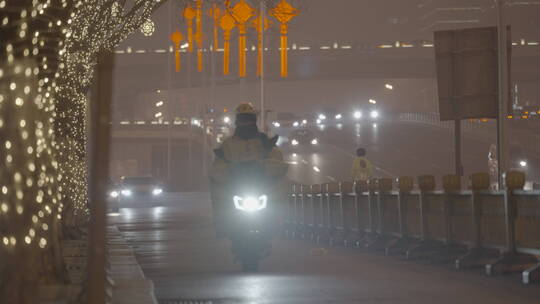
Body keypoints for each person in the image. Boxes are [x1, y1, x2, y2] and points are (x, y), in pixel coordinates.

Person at [209, 102, 289, 235]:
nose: (245, 124)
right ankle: (221, 224)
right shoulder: (227, 145)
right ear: (237, 122)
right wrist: (230, 170)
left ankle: (280, 221)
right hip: (235, 190)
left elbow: (279, 166)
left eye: (248, 120)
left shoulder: (266, 144)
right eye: (242, 120)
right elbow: (217, 170)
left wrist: (263, 166)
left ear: (254, 121)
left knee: (282, 189)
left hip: (262, 189)